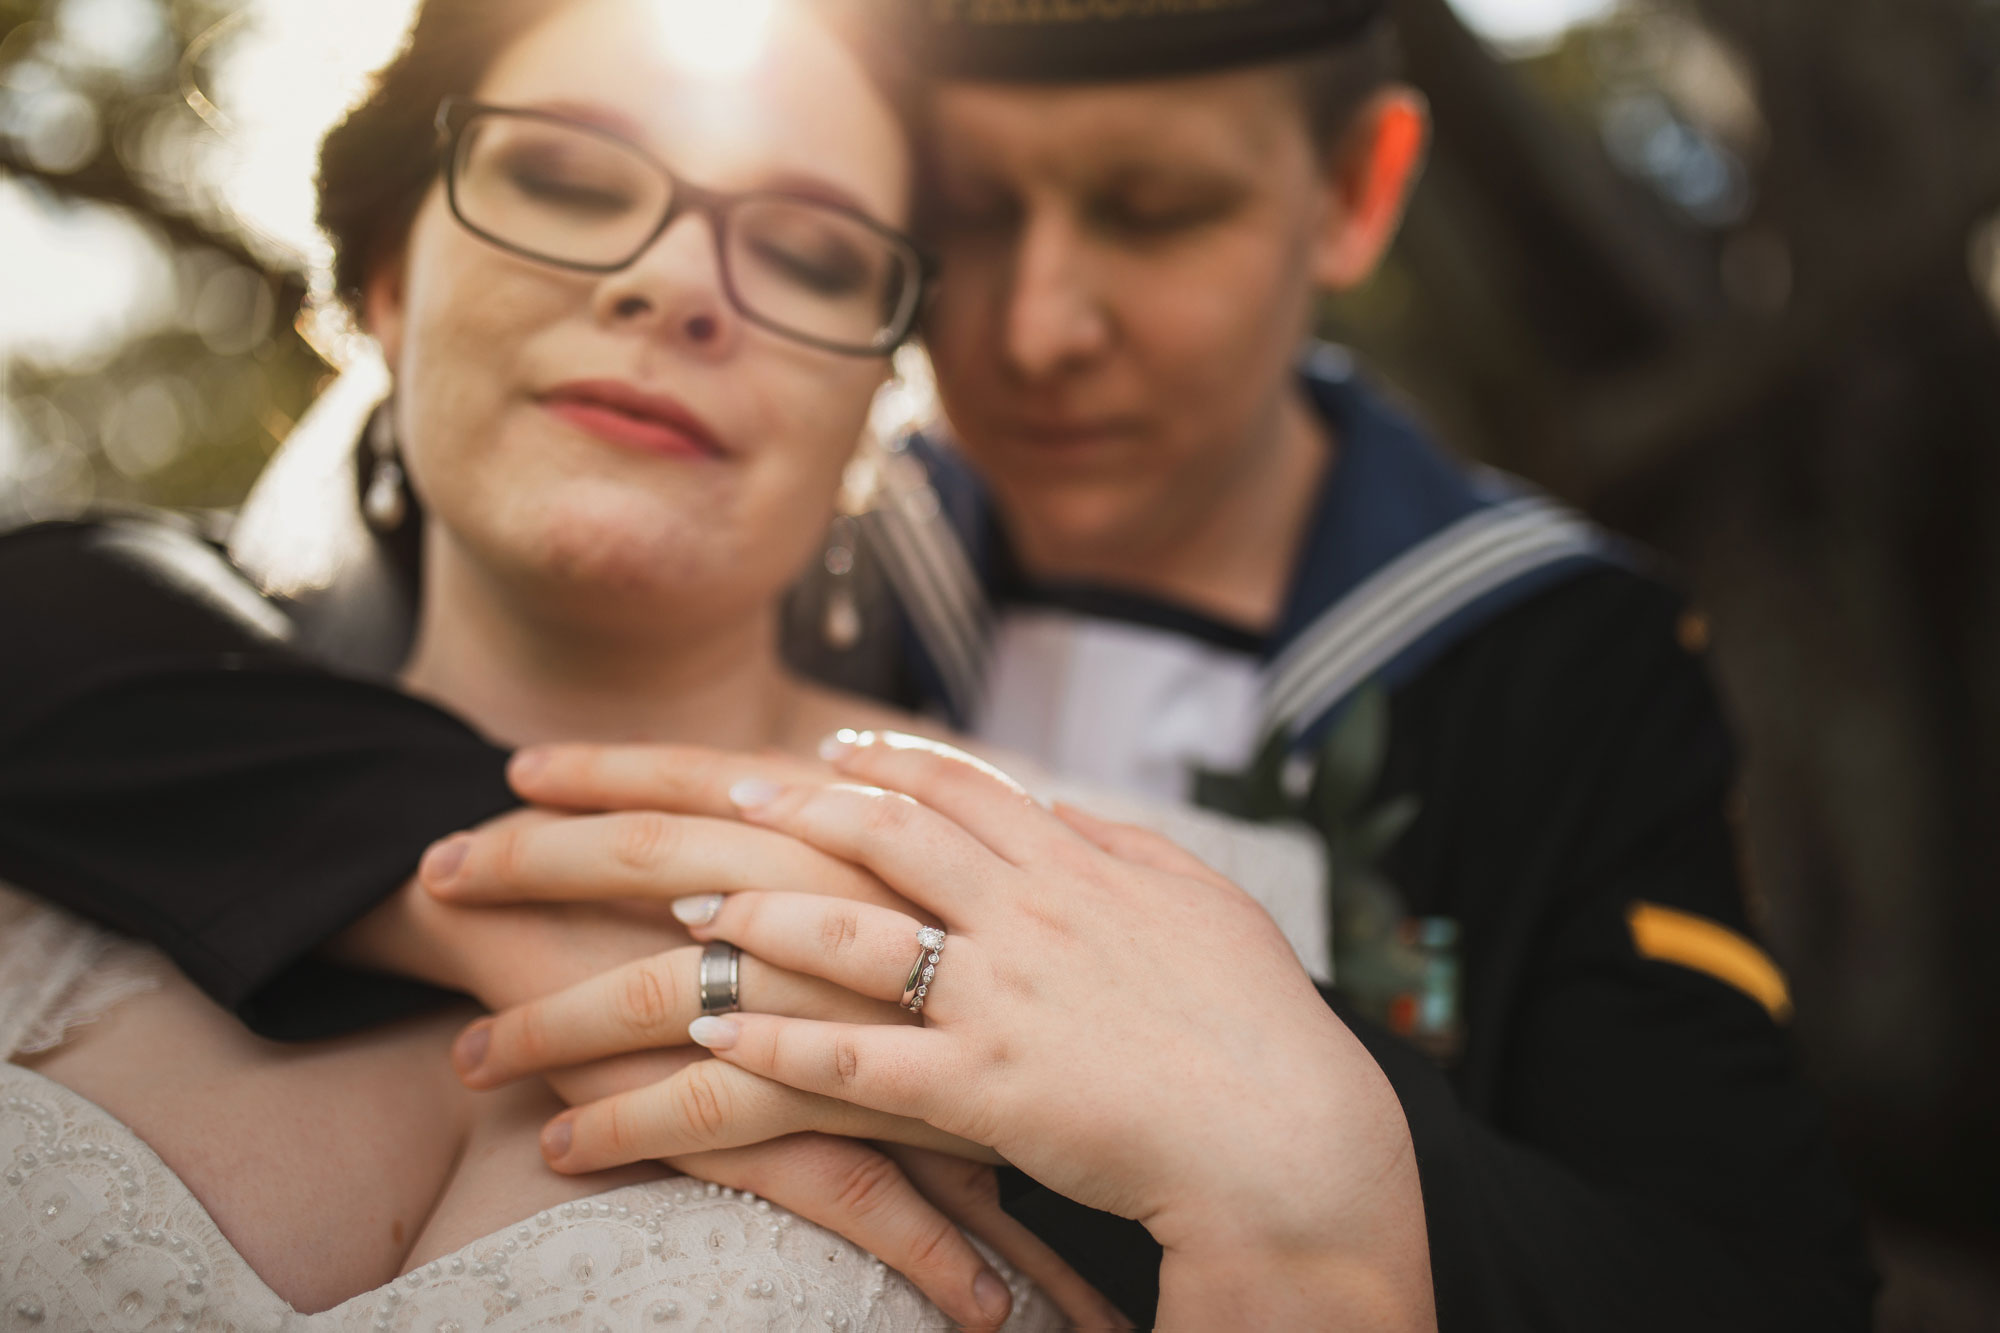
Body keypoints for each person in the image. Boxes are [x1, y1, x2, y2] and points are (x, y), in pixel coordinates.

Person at [0, 0, 1871, 1328]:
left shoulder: (1547, 653)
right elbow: (100, 623)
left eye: (1157, 210)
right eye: (972, 226)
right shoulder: (788, 503)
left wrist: (1285, 1135)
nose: (1040, 328)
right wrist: (595, 892)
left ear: (1356, 195)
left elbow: (1741, 1278)